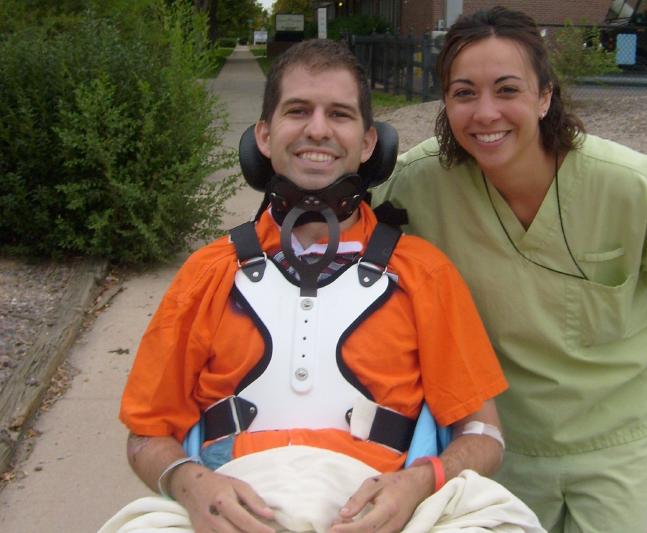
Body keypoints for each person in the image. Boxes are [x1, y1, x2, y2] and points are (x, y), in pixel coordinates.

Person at [118, 39, 513, 533]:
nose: (318, 130)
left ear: (369, 142)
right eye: (298, 111)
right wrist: (190, 485)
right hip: (233, 500)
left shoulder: (422, 272)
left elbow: (484, 433)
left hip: (387, 505)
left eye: (340, 114)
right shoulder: (208, 273)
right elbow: (146, 433)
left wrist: (421, 482)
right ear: (264, 134)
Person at [371, 7, 647, 533]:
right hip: (497, 434)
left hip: (618, 432)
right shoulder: (417, 185)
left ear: (545, 96)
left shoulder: (627, 182)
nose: (486, 113)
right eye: (464, 93)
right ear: (446, 102)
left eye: (507, 90)